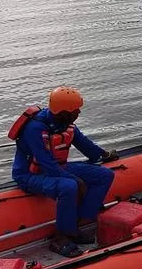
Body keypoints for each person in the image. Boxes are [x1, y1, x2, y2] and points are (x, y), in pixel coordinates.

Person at [9, 86, 116, 258]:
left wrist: (105, 155)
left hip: (57, 168)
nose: (79, 112)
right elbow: (46, 164)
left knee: (105, 175)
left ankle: (76, 224)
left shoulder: (66, 124)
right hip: (30, 175)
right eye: (75, 110)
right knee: (69, 186)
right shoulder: (35, 128)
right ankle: (60, 238)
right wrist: (76, 180)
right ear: (63, 113)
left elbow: (86, 146)